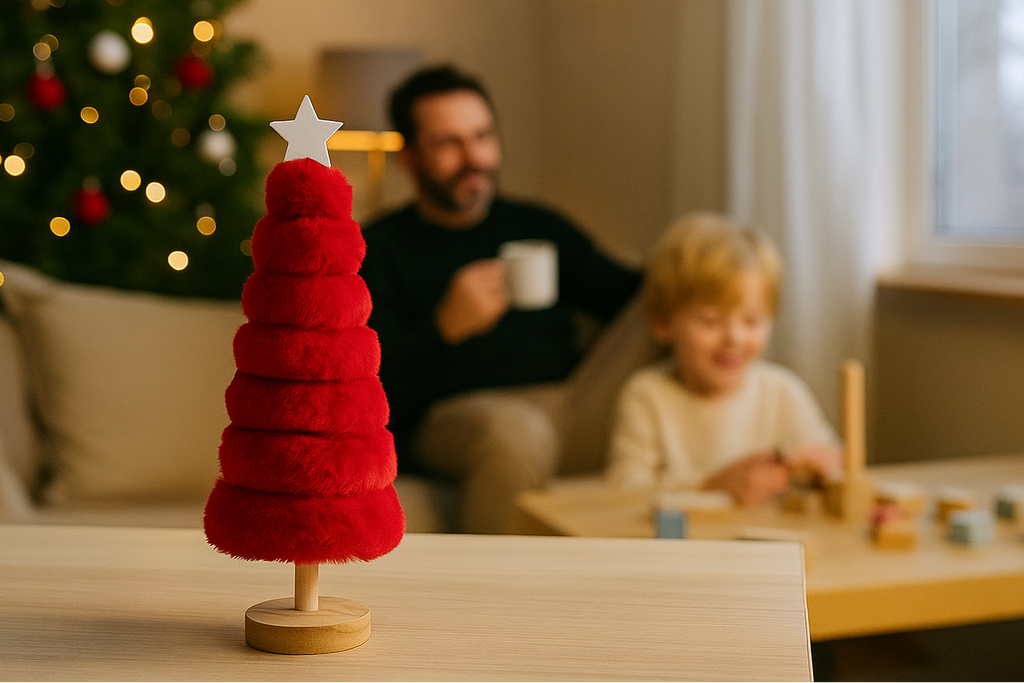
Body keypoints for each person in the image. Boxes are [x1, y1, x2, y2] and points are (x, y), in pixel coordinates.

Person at [361, 65, 641, 532]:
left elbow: (630, 298)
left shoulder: (537, 226)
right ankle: (487, 603)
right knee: (516, 433)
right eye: (449, 143)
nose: (474, 157)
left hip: (568, 407)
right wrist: (444, 329)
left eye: (483, 136)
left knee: (686, 276)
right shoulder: (380, 248)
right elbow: (371, 391)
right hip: (457, 415)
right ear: (408, 158)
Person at [605, 213, 841, 506]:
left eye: (752, 321)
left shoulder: (782, 392)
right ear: (662, 323)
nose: (734, 338)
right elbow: (623, 496)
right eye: (710, 320)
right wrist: (711, 486)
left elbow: (834, 465)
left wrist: (820, 468)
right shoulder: (646, 396)